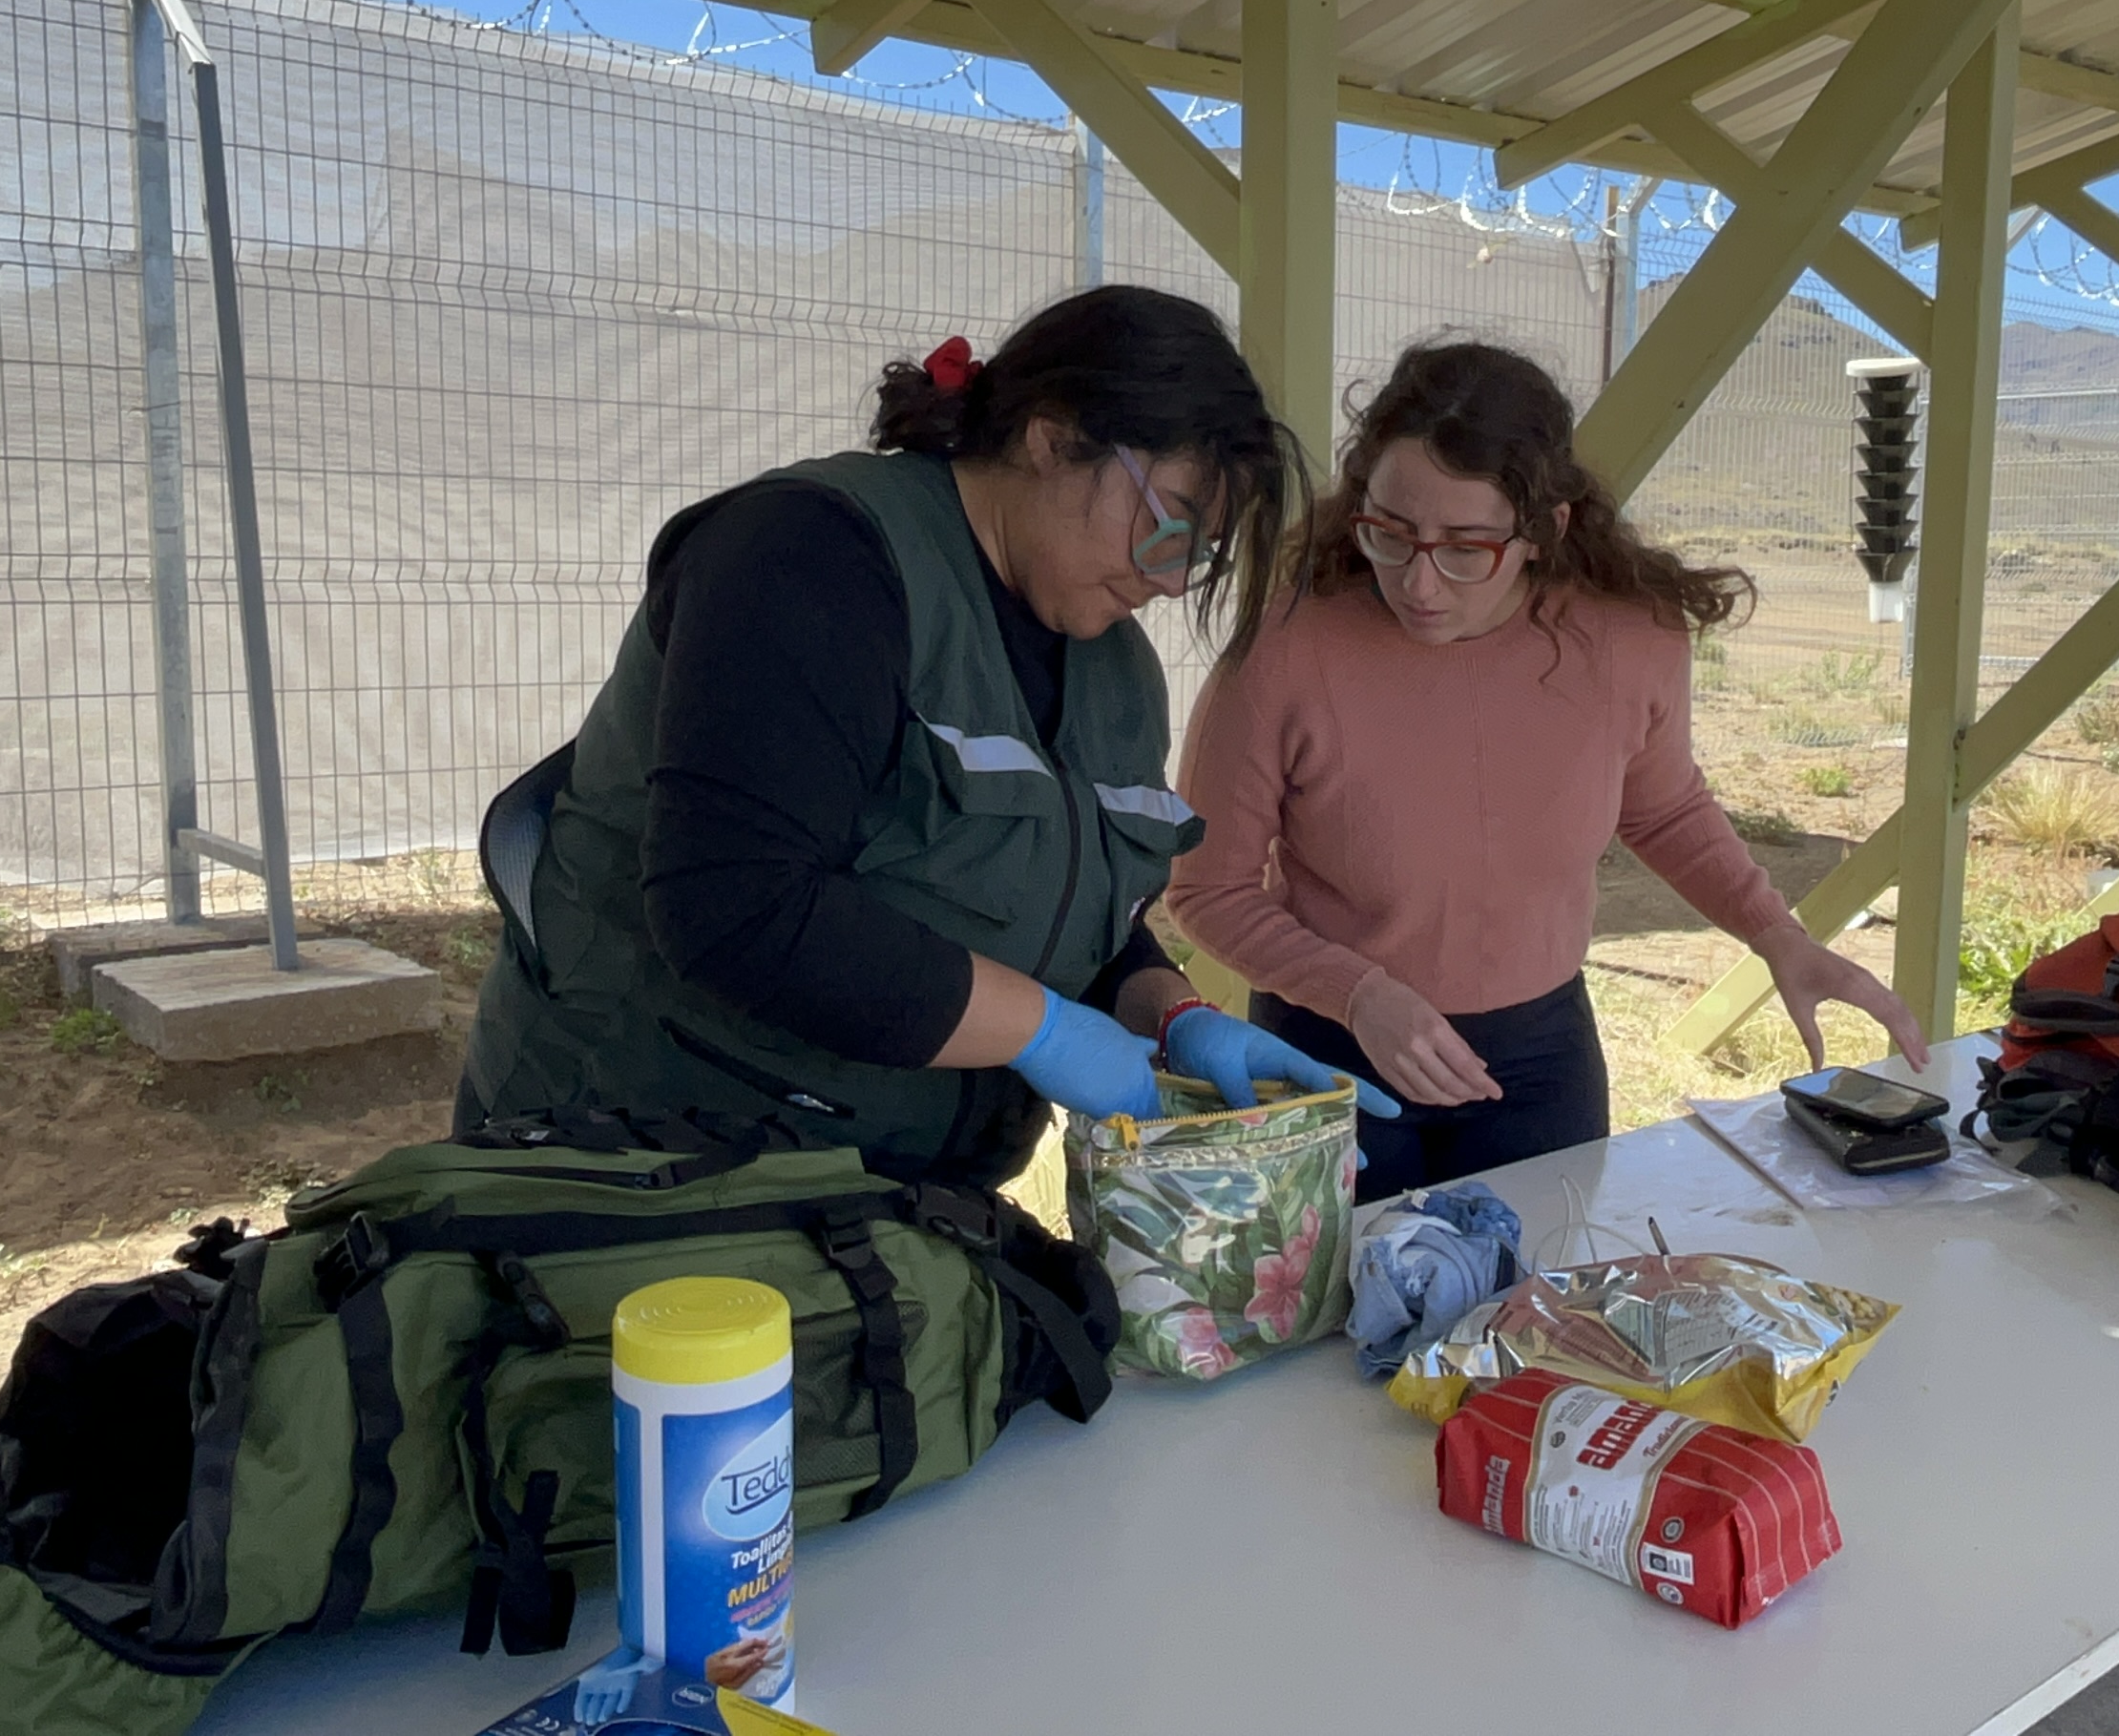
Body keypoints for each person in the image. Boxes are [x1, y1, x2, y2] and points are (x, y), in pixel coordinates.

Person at [456, 285, 1392, 1189]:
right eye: (1169, 528)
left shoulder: (1115, 670)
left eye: (1201, 552)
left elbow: (1063, 921)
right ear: (1053, 438)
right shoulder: (809, 555)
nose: (1176, 580)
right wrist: (1041, 1031)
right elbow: (737, 906)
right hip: (650, 1163)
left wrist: (1170, 1015)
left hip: (892, 1198)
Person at [1167, 340, 1922, 1198]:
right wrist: (1356, 994)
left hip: (1537, 1062)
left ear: (1545, 531)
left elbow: (1664, 809)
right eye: (1391, 534)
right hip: (1328, 1051)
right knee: (1345, 1289)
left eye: (1466, 548)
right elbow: (1208, 890)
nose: (1419, 583)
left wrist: (1777, 936)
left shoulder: (1628, 639)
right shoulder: (1283, 650)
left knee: (1542, 1280)